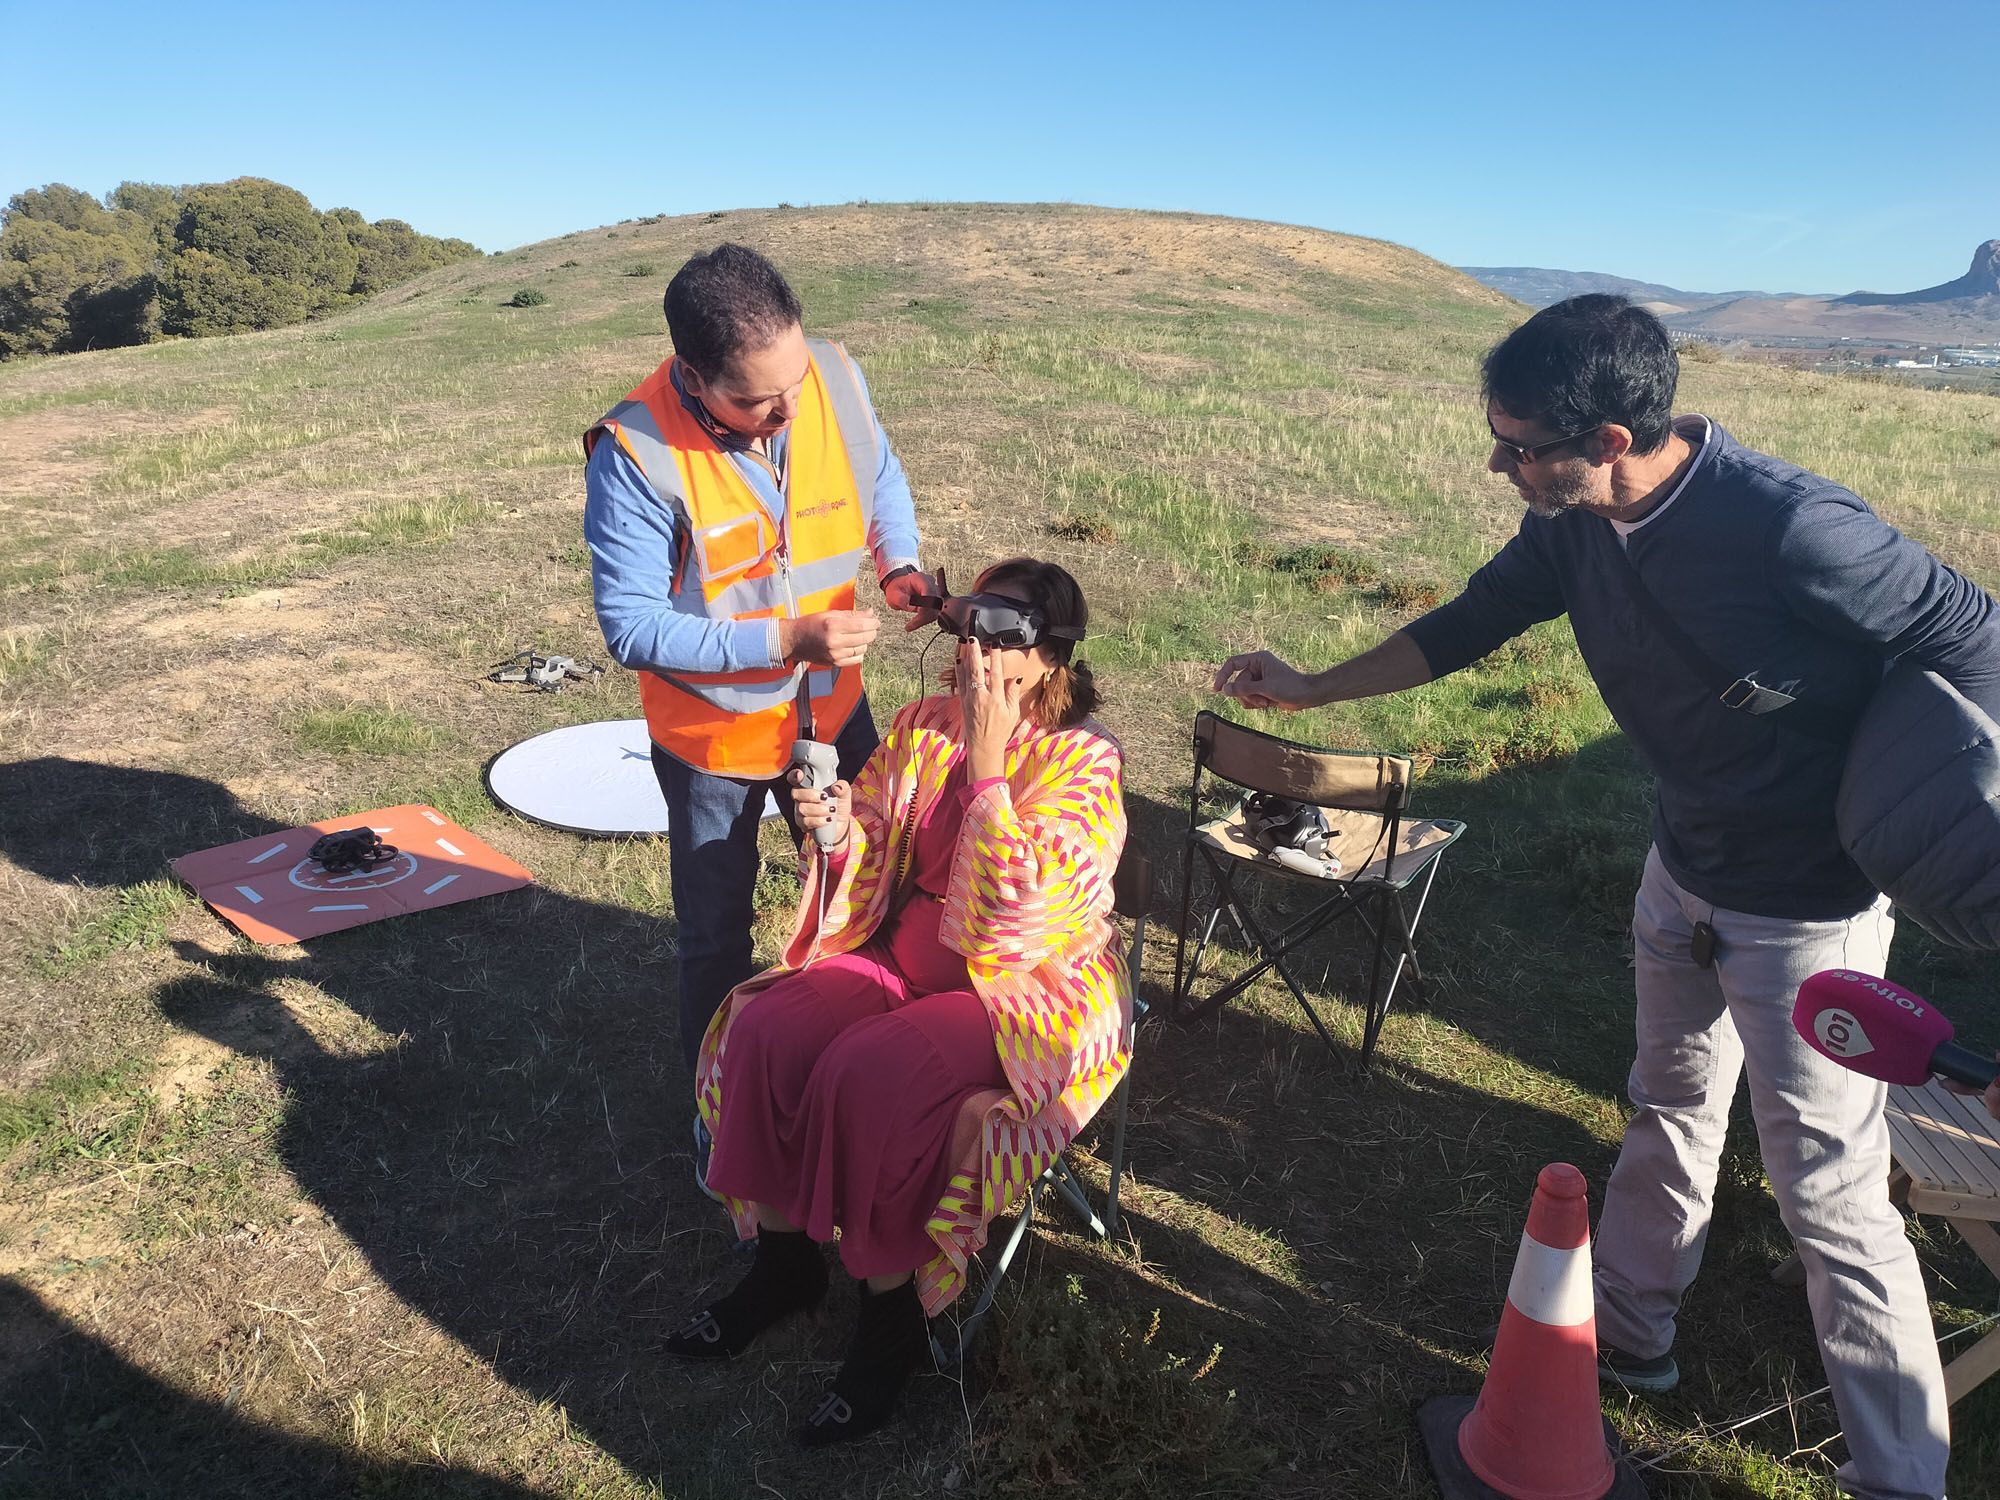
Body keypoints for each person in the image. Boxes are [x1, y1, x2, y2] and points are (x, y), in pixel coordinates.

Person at [1213, 295, 2000, 1500]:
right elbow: (1472, 622)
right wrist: (1314, 688)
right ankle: (1631, 1334)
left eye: (1518, 447)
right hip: (1679, 867)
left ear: (1611, 440)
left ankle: (1900, 1479)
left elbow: (1971, 632)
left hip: (1809, 913)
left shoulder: (1794, 530)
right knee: (1666, 1104)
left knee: (1830, 1196)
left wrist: (1943, 800)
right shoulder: (1571, 524)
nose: (1497, 467)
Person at [665, 558, 1129, 1445]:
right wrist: (843, 826)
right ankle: (786, 1266)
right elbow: (878, 824)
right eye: (968, 624)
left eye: (1004, 634)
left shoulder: (1084, 759)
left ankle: (891, 1325)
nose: (976, 651)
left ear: (1052, 656)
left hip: (1018, 994)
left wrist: (989, 767)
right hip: (904, 953)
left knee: (869, 1073)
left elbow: (1020, 920)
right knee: (765, 1027)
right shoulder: (925, 723)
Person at [582, 245, 939, 1112]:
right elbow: (631, 627)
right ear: (692, 376)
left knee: (871, 890)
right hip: (716, 742)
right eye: (754, 401)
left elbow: (878, 471)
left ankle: (853, 1078)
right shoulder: (634, 452)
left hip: (836, 713)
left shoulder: (832, 378)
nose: (788, 410)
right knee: (715, 938)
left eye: (795, 382)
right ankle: (719, 1111)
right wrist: (787, 638)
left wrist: (898, 562)